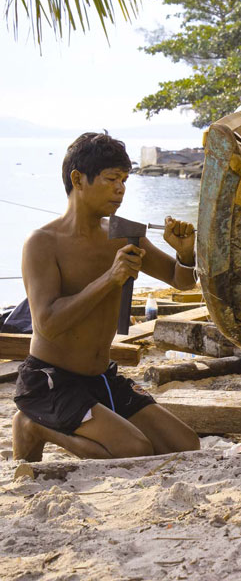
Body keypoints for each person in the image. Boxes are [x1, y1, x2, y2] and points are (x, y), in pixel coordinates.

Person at [12, 131, 200, 462]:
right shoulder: (42, 243)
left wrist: (185, 254)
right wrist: (110, 278)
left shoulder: (125, 232)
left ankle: (70, 422)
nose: (120, 189)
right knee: (133, 449)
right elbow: (47, 323)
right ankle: (32, 426)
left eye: (125, 180)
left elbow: (180, 281)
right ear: (78, 179)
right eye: (112, 178)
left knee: (185, 444)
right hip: (50, 381)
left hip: (101, 376)